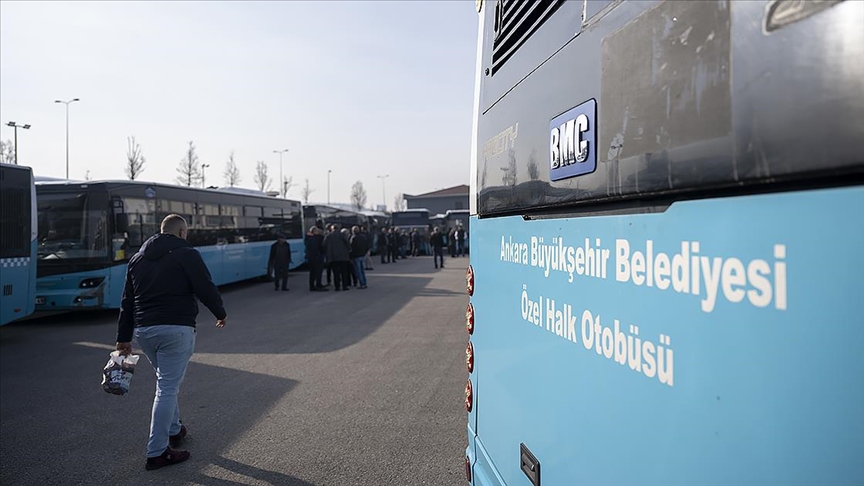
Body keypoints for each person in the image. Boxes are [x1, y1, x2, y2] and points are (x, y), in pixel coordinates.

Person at [115, 214, 227, 471]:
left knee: (165, 381)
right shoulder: (187, 254)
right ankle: (157, 452)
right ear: (182, 232)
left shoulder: (137, 259)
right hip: (176, 328)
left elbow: (127, 301)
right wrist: (219, 313)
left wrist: (123, 338)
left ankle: (175, 429)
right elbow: (204, 286)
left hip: (145, 331)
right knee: (166, 388)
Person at [324, 224, 351, 291]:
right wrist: (349, 250)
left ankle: (337, 286)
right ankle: (345, 286)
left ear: (332, 229)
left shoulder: (328, 236)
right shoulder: (342, 235)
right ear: (339, 228)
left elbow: (324, 244)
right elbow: (347, 243)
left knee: (336, 273)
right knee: (344, 272)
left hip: (333, 257)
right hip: (343, 257)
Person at [304, 226, 327, 291]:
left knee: (313, 272)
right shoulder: (313, 239)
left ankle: (314, 285)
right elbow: (316, 248)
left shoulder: (308, 238)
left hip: (312, 257)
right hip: (316, 257)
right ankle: (317, 285)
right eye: (317, 231)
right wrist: (319, 255)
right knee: (317, 272)